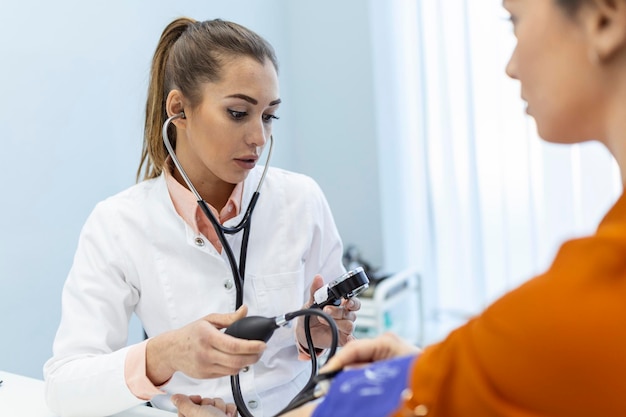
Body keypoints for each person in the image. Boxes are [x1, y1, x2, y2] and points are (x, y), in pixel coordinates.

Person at [170, 0, 626, 415]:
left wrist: (424, 372)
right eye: (238, 113)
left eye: (515, 20)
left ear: (604, 17)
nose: (510, 66)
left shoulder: (561, 315)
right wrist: (425, 368)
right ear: (180, 110)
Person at [43, 17, 361, 417]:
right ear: (179, 109)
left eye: (268, 116)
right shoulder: (117, 225)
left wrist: (313, 336)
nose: (259, 138)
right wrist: (164, 353)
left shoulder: (301, 200)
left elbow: (330, 349)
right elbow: (64, 388)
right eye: (238, 112)